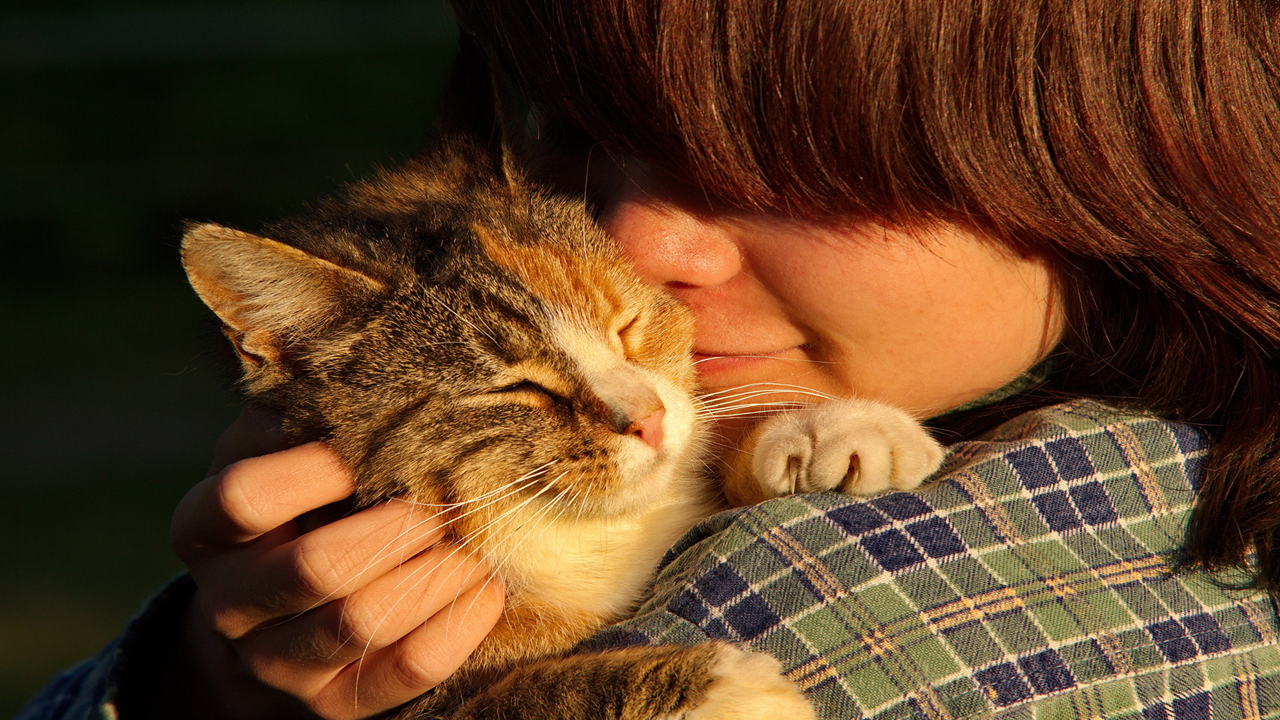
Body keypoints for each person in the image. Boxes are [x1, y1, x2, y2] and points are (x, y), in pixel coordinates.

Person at [19, 0, 1280, 718]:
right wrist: (203, 681)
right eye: (579, 132)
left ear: (1116, 143)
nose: (628, 243)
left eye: (774, 164)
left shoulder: (835, 627)